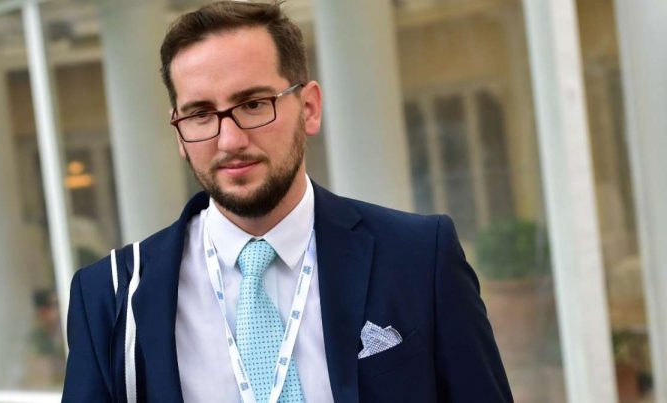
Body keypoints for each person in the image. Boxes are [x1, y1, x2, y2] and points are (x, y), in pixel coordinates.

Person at [62, 1, 513, 402]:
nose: (230, 140)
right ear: (179, 132)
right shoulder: (112, 296)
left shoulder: (418, 256)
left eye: (254, 104)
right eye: (201, 114)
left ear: (309, 108)